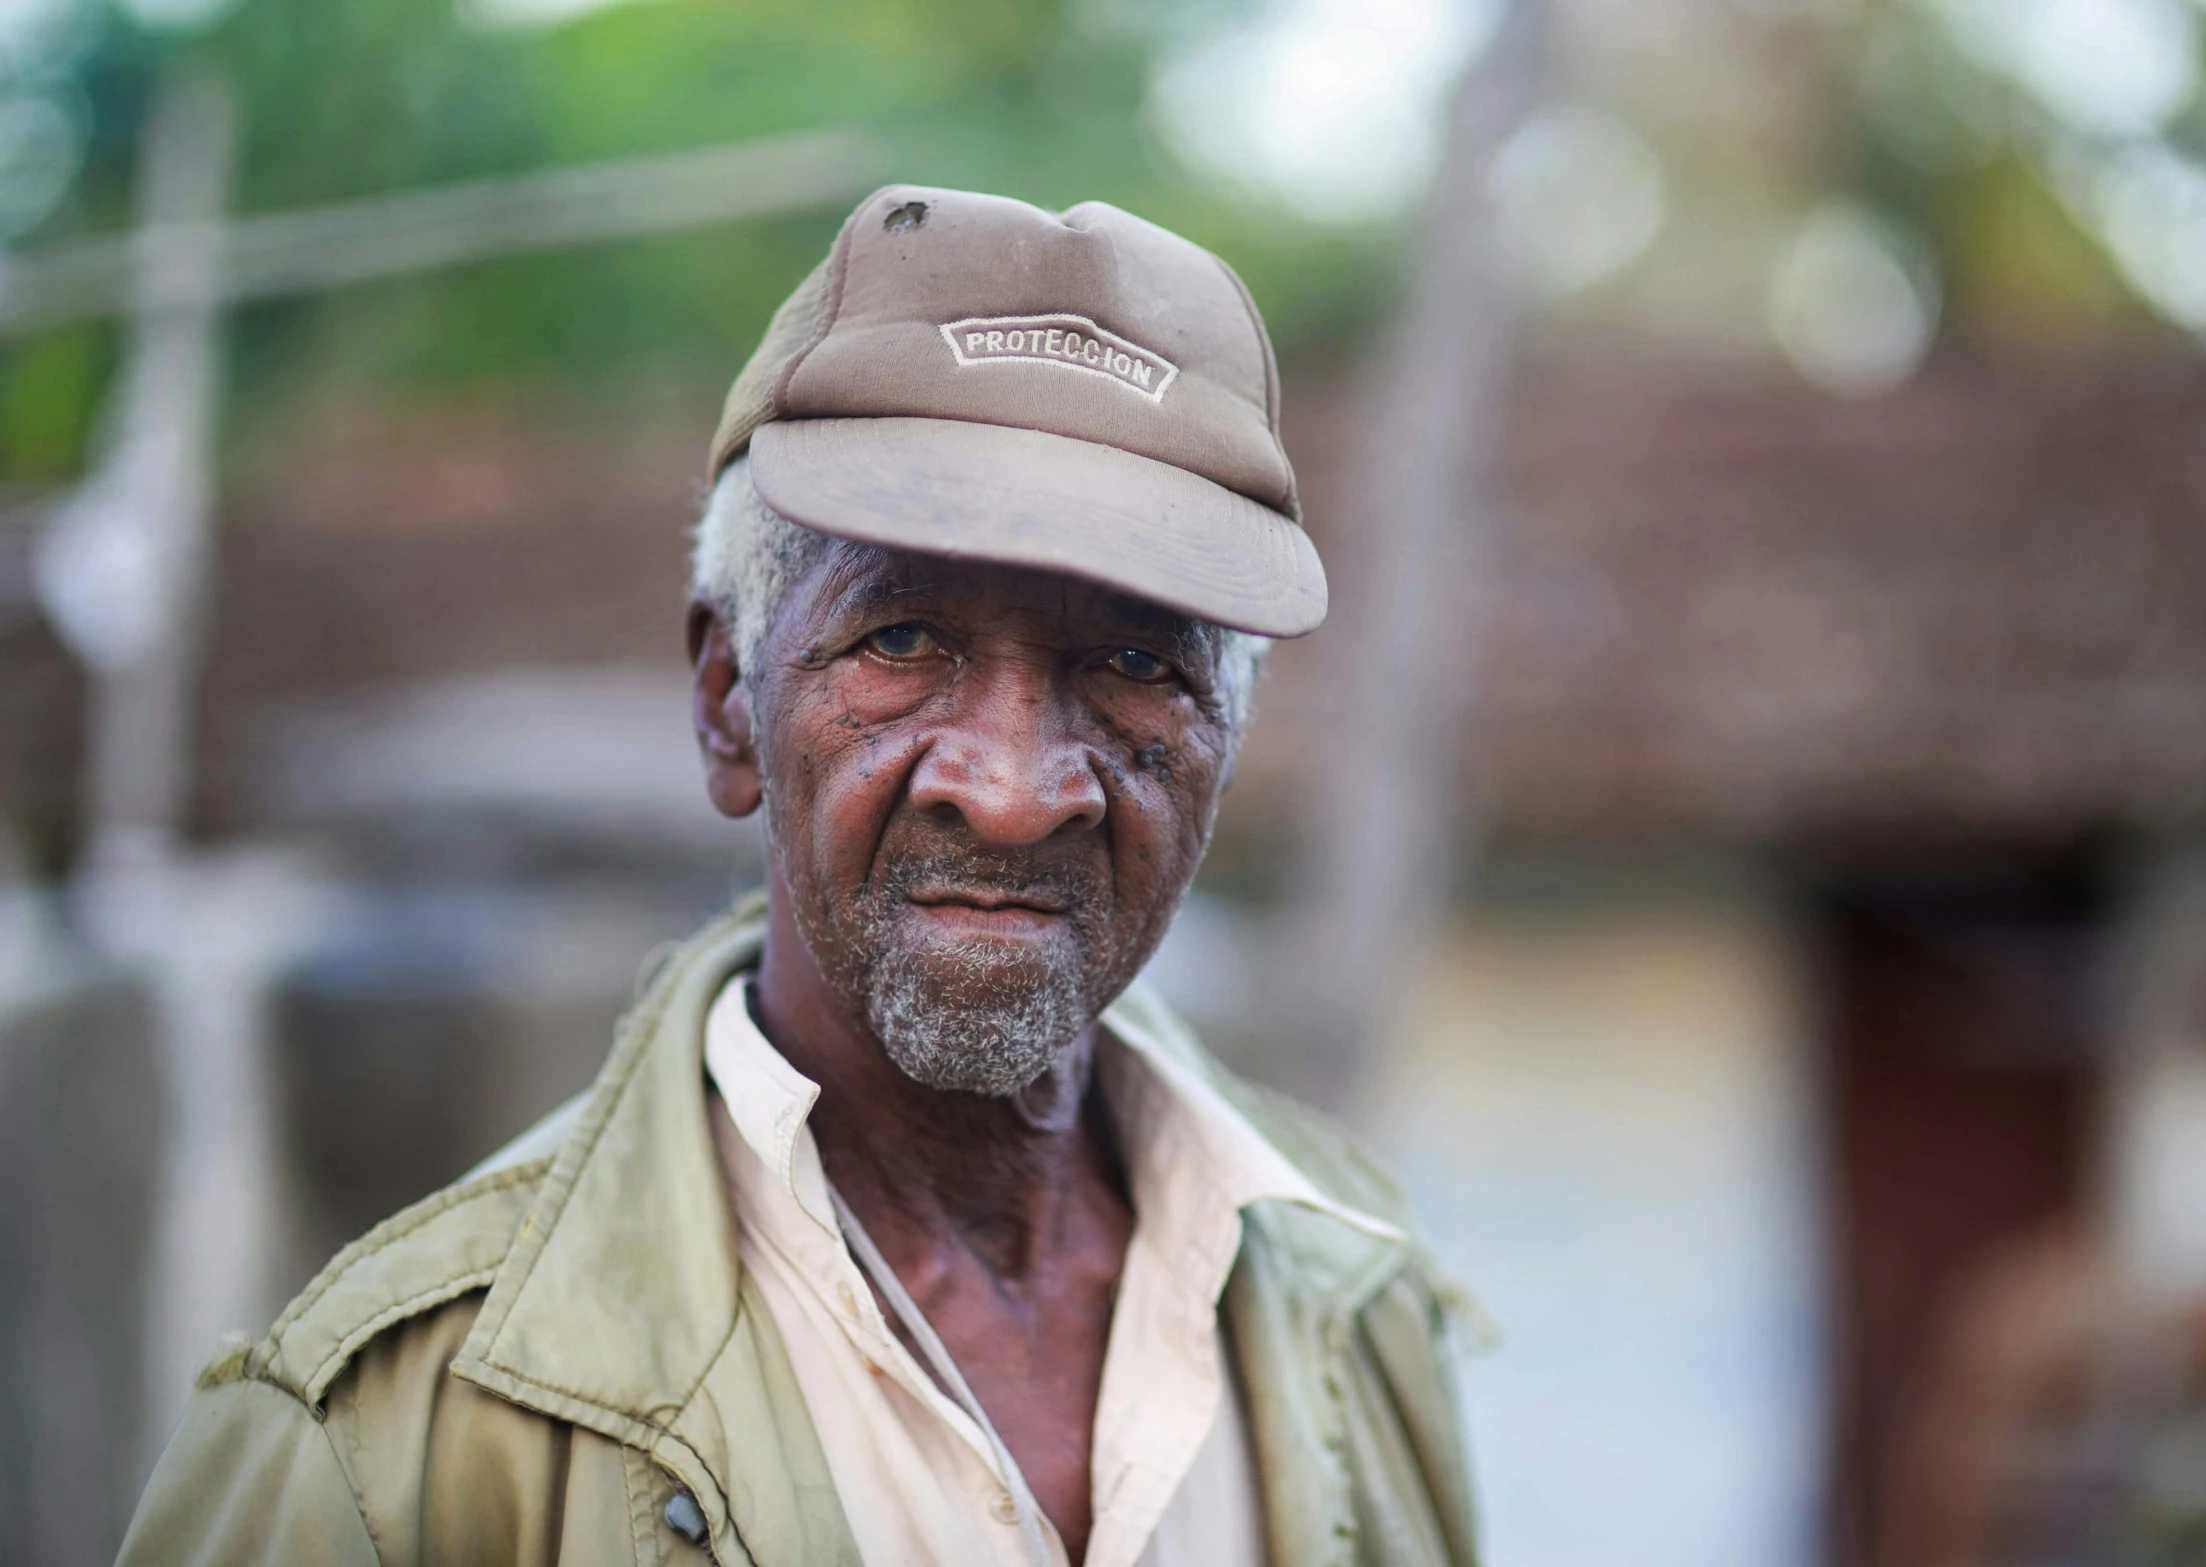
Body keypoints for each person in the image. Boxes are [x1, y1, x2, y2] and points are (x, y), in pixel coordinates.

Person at [118, 184, 1477, 1567]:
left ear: (1226, 743)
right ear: (726, 701)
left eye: (1135, 662)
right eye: (899, 639)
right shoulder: (390, 1439)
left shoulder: (1353, 1315)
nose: (1010, 791)